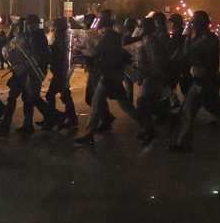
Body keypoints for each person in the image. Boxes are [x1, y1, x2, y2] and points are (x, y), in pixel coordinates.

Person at [171, 10, 220, 154]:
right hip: (199, 81)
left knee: (216, 113)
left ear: (201, 23)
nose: (191, 24)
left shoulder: (208, 39)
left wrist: (187, 38)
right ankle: (183, 143)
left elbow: (190, 55)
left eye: (194, 21)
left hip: (206, 81)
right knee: (189, 112)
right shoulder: (199, 37)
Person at [75, 10, 140, 147]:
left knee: (97, 102)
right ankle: (146, 125)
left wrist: (81, 50)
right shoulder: (114, 36)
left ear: (103, 26)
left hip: (109, 74)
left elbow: (94, 52)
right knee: (124, 105)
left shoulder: (108, 37)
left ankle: (89, 134)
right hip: (113, 74)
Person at [134, 17, 169, 147]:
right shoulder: (147, 40)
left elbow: (156, 63)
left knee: (142, 103)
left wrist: (142, 70)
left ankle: (150, 131)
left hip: (151, 77)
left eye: (141, 26)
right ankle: (148, 129)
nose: (139, 28)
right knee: (145, 103)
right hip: (148, 76)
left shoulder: (151, 41)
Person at [17, 14, 54, 134]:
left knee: (31, 97)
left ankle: (51, 117)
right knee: (30, 97)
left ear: (34, 24)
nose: (27, 26)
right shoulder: (31, 35)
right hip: (30, 69)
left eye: (29, 24)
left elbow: (37, 55)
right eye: (26, 24)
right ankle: (30, 123)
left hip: (35, 70)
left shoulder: (38, 36)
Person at [46, 17, 77, 128]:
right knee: (65, 95)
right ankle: (71, 118)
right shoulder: (64, 36)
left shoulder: (61, 37)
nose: (53, 27)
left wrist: (50, 50)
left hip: (61, 70)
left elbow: (60, 54)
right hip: (61, 70)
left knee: (51, 95)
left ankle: (53, 118)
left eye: (55, 25)